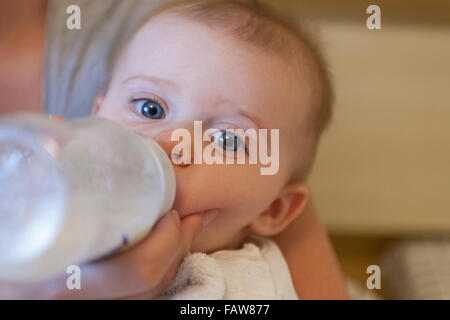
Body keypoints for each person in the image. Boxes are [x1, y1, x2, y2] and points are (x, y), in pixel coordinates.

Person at [0, 0, 348, 299]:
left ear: (274, 209)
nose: (171, 143)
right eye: (149, 109)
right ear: (94, 118)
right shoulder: (49, 218)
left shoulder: (246, 287)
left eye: (226, 139)